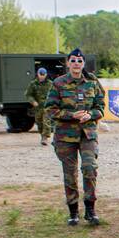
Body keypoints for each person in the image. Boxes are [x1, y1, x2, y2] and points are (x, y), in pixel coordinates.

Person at [45, 49, 105, 226]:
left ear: (83, 63)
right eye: (73, 60)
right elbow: (50, 110)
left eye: (80, 60)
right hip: (66, 136)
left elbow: (101, 106)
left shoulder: (92, 83)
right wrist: (72, 115)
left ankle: (90, 209)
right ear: (68, 63)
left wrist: (91, 115)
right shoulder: (58, 83)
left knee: (90, 168)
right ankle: (73, 212)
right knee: (70, 175)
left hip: (88, 134)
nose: (77, 63)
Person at [25, 67, 54, 145]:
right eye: (40, 74)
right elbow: (28, 95)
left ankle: (45, 137)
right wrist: (33, 101)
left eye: (43, 74)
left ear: (46, 75)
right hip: (38, 107)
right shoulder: (33, 84)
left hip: (47, 106)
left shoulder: (50, 84)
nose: (42, 76)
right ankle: (42, 135)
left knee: (46, 121)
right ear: (37, 74)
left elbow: (54, 94)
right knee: (39, 122)